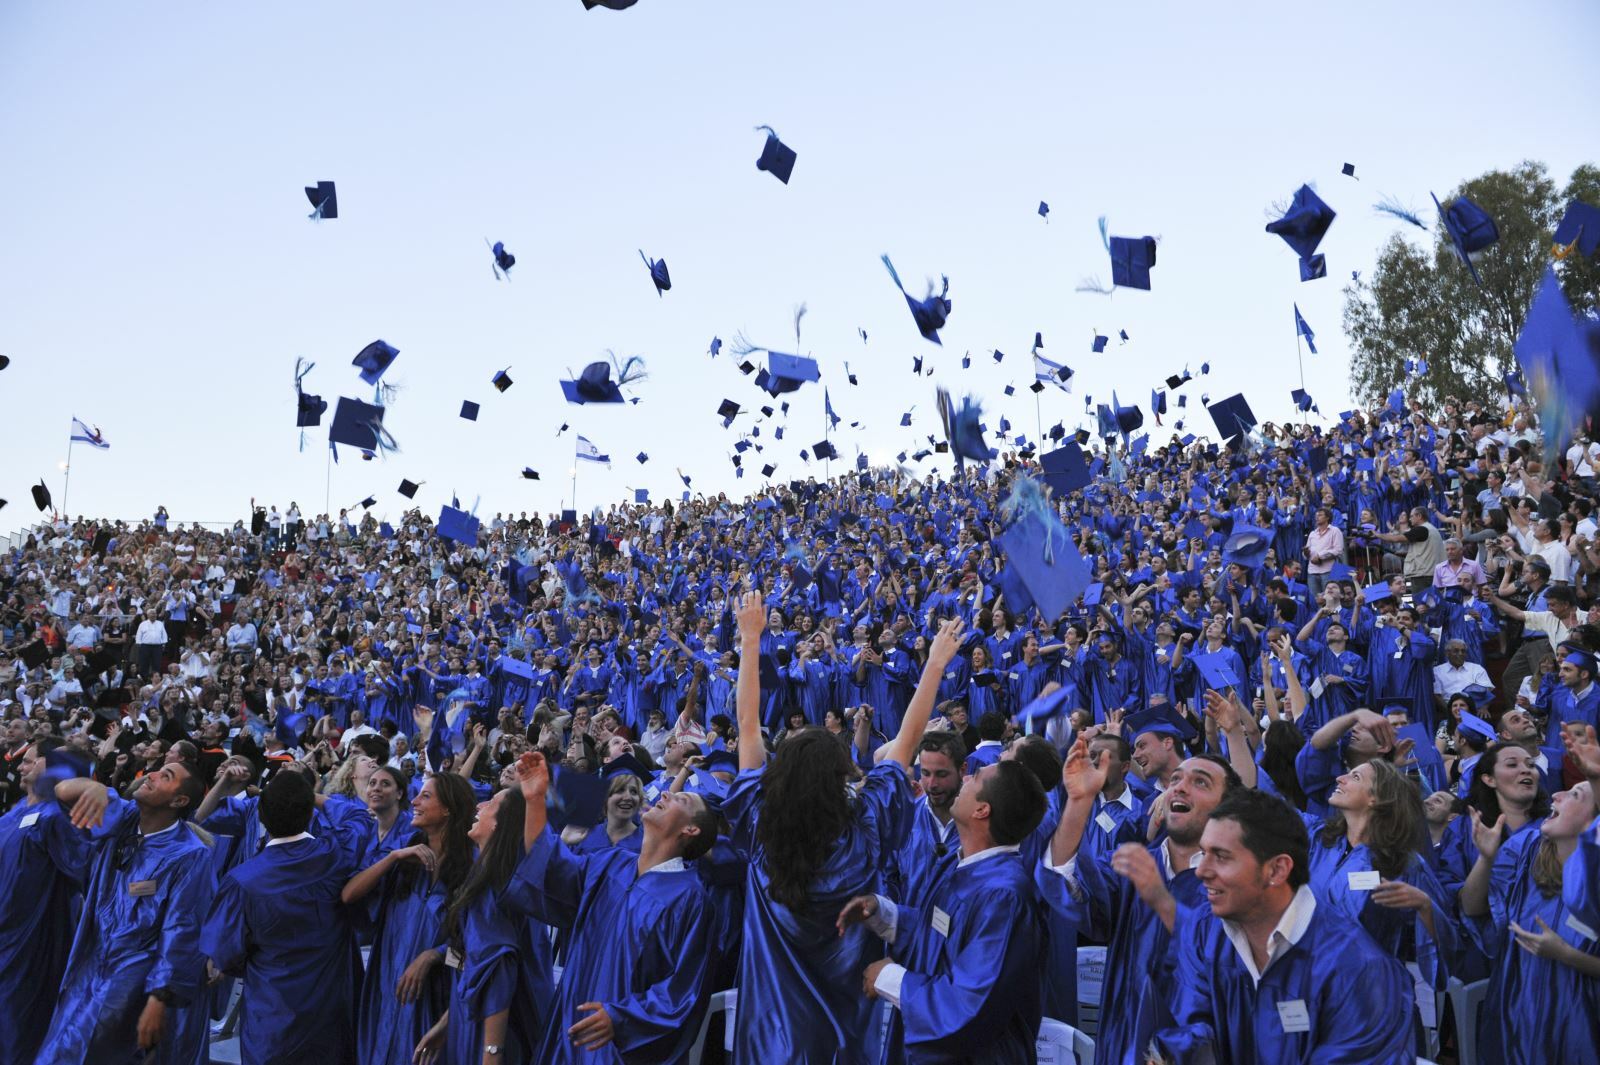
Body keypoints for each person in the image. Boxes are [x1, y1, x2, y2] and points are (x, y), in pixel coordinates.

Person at [725, 591, 959, 1062]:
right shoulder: (865, 827)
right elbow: (907, 742)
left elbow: (748, 725)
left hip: (770, 1041)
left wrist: (752, 639)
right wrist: (934, 663)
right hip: (850, 1039)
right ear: (842, 776)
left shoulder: (758, 822)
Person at [1153, 788, 1415, 1064]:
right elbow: (1191, 1025)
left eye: (1221, 856)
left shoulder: (1361, 969)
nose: (1201, 871)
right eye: (1203, 852)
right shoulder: (1205, 931)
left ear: (1277, 870)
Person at [504, 748, 716, 1063]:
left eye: (682, 800)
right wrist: (535, 800)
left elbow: (684, 991)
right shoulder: (610, 863)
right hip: (570, 1030)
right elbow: (550, 871)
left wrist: (621, 1019)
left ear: (691, 830)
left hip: (619, 1047)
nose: (668, 796)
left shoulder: (691, 899)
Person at [1038, 736, 1239, 1065]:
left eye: (1200, 782)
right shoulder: (1133, 867)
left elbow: (1233, 992)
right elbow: (1067, 884)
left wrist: (1176, 1050)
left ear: (1227, 808)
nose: (1179, 787)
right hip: (1120, 1044)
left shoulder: (1235, 886)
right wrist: (1078, 802)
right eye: (1175, 780)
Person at [838, 758, 1047, 1064]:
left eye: (974, 778)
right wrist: (885, 914)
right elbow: (942, 937)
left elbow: (970, 1003)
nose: (964, 781)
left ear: (982, 810)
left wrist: (889, 978)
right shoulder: (958, 862)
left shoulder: (1005, 896)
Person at [37, 760, 216, 1065]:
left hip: (134, 976)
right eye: (157, 769)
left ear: (179, 800)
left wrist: (159, 998)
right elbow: (63, 790)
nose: (152, 774)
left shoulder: (189, 854)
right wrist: (96, 787)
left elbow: (181, 928)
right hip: (91, 959)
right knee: (62, 1046)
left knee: (83, 1051)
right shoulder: (124, 818)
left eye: (165, 776)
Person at [199, 769, 366, 1065]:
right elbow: (359, 819)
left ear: (261, 816)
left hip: (272, 1006)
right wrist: (313, 797)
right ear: (308, 812)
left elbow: (225, 955)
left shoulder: (242, 880)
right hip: (329, 1002)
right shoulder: (333, 854)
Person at [341, 772, 476, 1065]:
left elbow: (477, 952)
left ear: (449, 808)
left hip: (435, 996)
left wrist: (434, 956)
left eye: (425, 796)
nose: (414, 801)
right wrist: (392, 859)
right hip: (386, 983)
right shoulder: (403, 850)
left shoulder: (473, 868)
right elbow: (349, 895)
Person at [415, 783, 555, 1065]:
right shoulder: (487, 874)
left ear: (501, 826)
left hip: (499, 1029)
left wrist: (492, 1054)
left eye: (490, 803)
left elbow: (498, 972)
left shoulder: (496, 886)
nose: (479, 807)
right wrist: (448, 1021)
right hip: (475, 1018)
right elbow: (470, 958)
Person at [0, 738, 89, 1062]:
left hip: (31, 939)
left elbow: (86, 873)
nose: (23, 765)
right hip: (5, 933)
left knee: (17, 1022)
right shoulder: (13, 814)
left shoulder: (56, 818)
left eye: (33, 760)